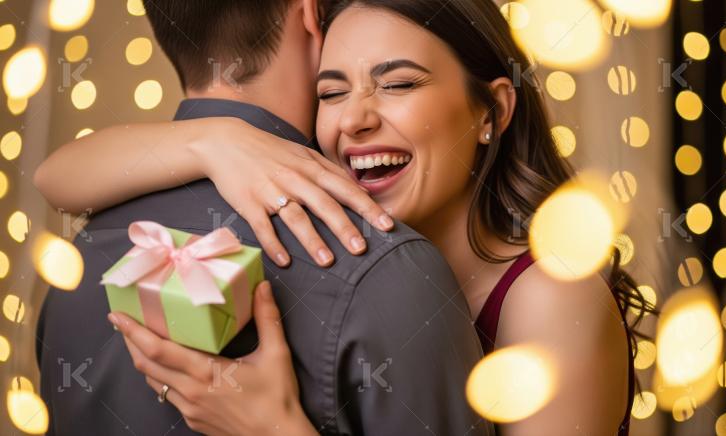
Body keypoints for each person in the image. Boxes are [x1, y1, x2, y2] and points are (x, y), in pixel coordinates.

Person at [37, 0, 654, 434]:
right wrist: (216, 141)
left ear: (491, 110)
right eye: (331, 93)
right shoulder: (356, 256)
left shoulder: (550, 299)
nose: (354, 120)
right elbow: (56, 176)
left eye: (399, 84)